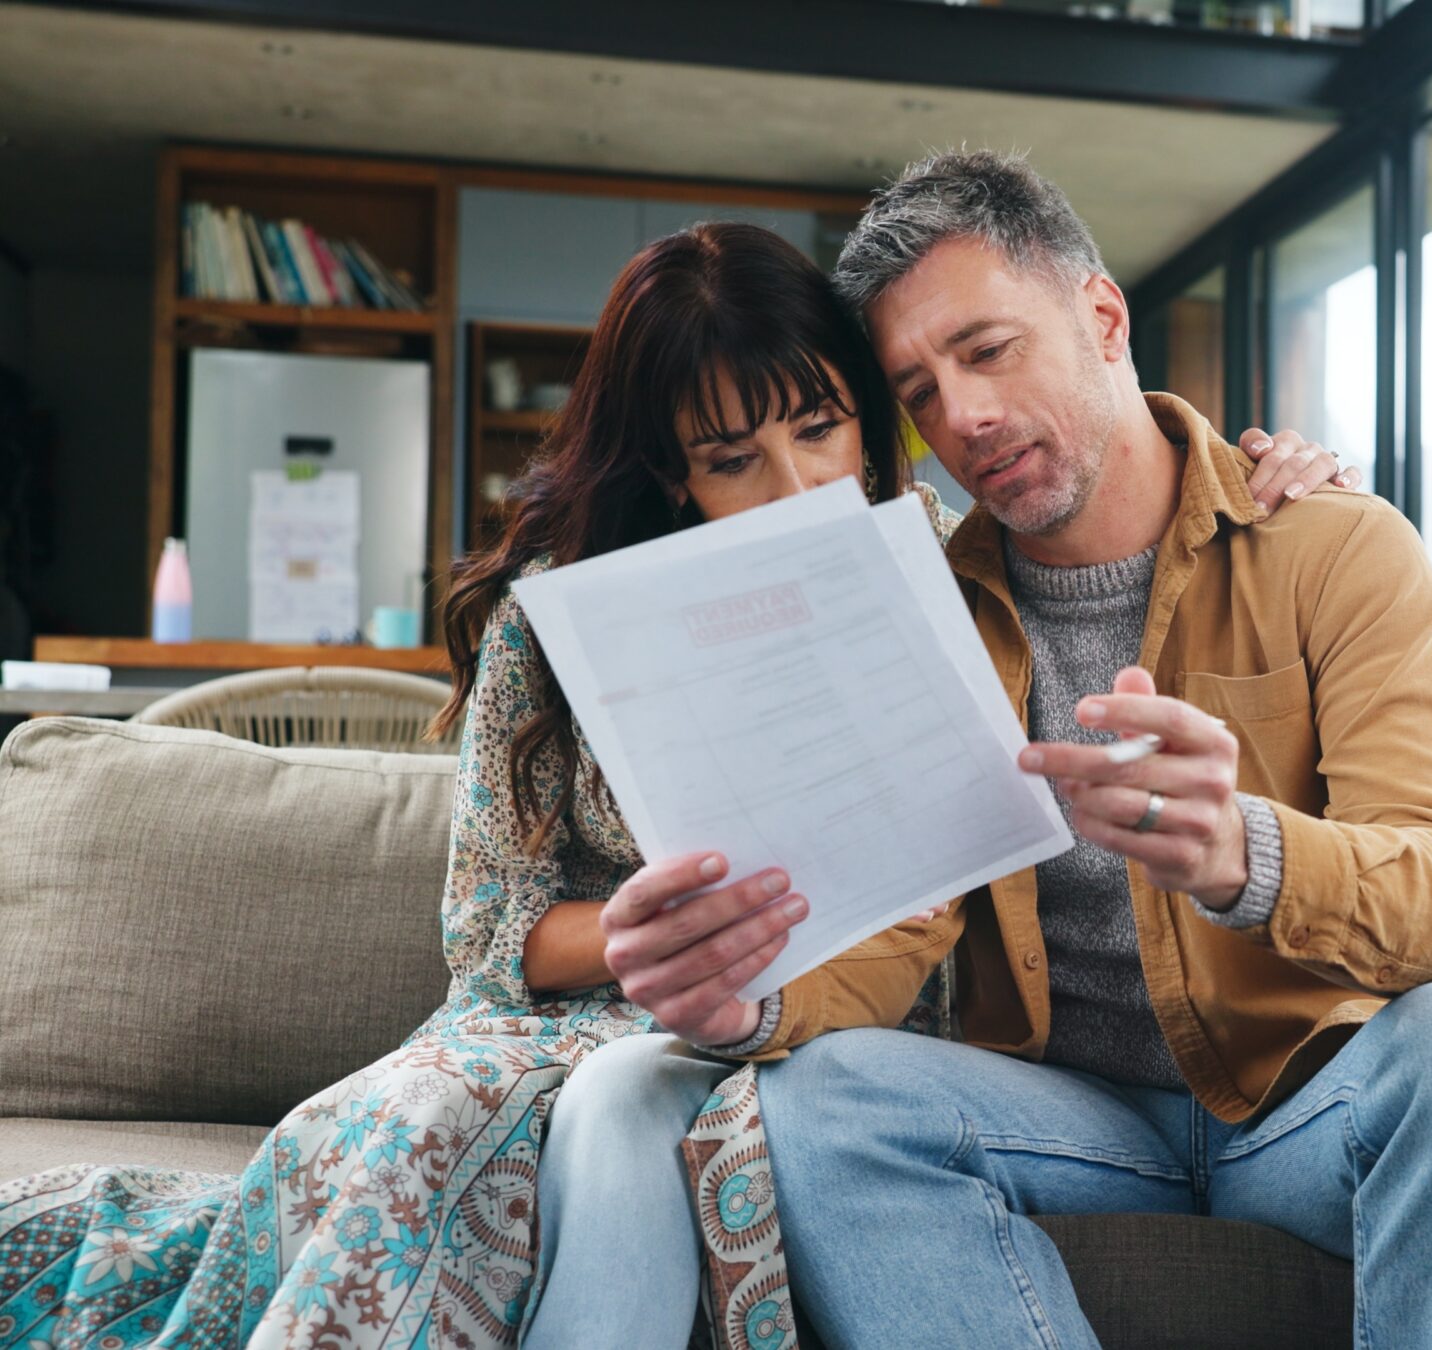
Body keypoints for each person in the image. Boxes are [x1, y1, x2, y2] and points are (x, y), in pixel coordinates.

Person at [0, 220, 1341, 1350]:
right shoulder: (560, 616)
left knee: (647, 1108)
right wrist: (647, 935)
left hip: (862, 1026)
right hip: (602, 1009)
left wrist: (1274, 469)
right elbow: (490, 927)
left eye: (823, 428)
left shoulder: (959, 568)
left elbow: (1123, 517)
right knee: (448, 1113)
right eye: (729, 457)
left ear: (874, 422)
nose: (794, 486)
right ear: (671, 473)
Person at [534, 151, 1432, 1349]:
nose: (963, 419)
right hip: (1066, 1114)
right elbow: (900, 938)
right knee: (819, 1103)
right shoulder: (911, 604)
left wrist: (1248, 855)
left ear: (1100, 315)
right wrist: (739, 1005)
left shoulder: (1337, 549)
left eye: (987, 350)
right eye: (918, 392)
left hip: (1313, 1096)